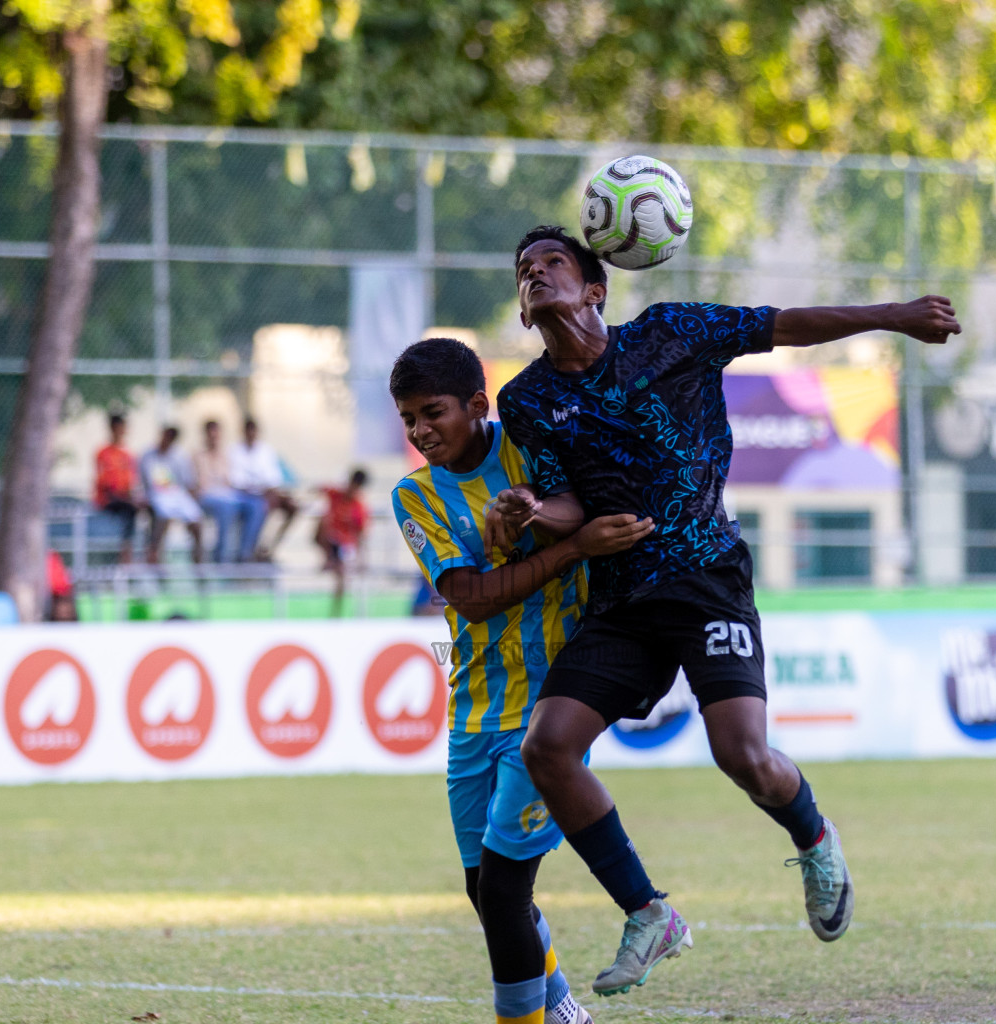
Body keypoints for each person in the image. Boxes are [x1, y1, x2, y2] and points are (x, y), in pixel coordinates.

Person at [490, 225, 960, 995]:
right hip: (619, 597)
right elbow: (568, 503)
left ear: (595, 289)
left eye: (552, 264)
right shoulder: (528, 399)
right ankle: (648, 913)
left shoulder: (673, 331)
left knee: (743, 756)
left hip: (706, 576)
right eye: (524, 270)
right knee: (547, 747)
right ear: (520, 307)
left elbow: (784, 324)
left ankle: (813, 837)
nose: (536, 274)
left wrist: (894, 315)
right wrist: (530, 512)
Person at [390, 337, 653, 1024]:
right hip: (473, 713)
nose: (420, 431)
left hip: (550, 713)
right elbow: (472, 598)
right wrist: (572, 550)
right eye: (408, 419)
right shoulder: (413, 495)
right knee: (488, 892)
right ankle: (560, 1004)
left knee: (507, 892)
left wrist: (550, 524)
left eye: (432, 413)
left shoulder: (529, 447)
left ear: (478, 404)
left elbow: (584, 508)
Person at [228, 418, 298, 560]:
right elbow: (237, 480)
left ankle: (271, 546)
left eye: (254, 431)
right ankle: (250, 550)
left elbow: (274, 477)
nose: (252, 434)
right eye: (249, 431)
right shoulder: (234, 451)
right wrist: (260, 487)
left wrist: (270, 489)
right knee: (260, 507)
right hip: (247, 495)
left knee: (293, 506)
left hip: (268, 492)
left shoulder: (266, 450)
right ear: (244, 432)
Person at [194, 419, 259, 563]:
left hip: (228, 495)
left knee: (255, 506)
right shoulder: (198, 456)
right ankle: (220, 555)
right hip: (208, 497)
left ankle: (245, 552)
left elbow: (231, 481)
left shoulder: (226, 455)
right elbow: (199, 485)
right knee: (226, 508)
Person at [139, 426, 204, 564]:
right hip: (157, 495)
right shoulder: (148, 455)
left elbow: (188, 483)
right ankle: (156, 555)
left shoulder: (180, 456)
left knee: (197, 521)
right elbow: (145, 482)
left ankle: (198, 561)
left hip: (178, 494)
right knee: (163, 516)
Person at [317, 468, 369, 616]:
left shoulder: (358, 507)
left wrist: (362, 558)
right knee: (323, 521)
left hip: (345, 545)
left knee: (342, 577)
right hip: (329, 540)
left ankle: (336, 614)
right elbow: (318, 488)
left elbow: (361, 535)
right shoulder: (336, 494)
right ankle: (328, 558)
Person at [94, 413, 143, 564]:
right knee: (131, 509)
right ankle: (125, 557)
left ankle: (149, 554)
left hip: (124, 497)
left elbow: (131, 481)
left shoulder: (127, 454)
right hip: (109, 499)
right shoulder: (104, 453)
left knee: (150, 509)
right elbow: (108, 484)